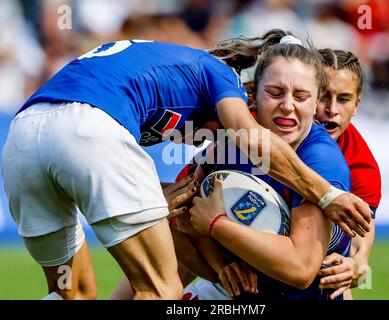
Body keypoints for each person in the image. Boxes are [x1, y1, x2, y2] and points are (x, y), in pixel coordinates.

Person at [1, 31, 370, 300]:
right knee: (161, 290)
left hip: (21, 134)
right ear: (248, 94)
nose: (203, 140)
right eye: (274, 94)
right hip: (88, 129)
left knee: (71, 292)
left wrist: (159, 195)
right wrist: (325, 195)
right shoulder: (219, 76)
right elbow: (249, 136)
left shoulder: (168, 73)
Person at [182, 34, 353, 300]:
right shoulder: (229, 142)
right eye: (274, 93)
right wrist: (220, 264)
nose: (287, 106)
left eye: (301, 96)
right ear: (252, 95)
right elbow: (184, 219)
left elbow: (300, 270)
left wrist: (218, 225)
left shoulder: (321, 159)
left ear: (317, 100)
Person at [314, 49, 382, 299]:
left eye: (344, 99)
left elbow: (360, 257)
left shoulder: (362, 167)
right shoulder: (268, 131)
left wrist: (355, 268)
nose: (332, 109)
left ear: (357, 105)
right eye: (323, 96)